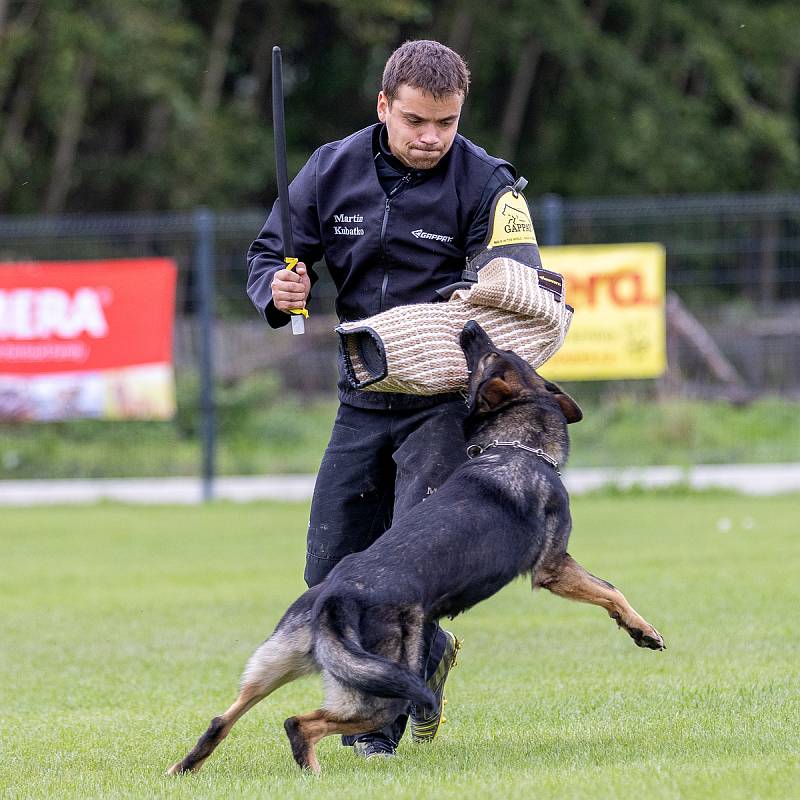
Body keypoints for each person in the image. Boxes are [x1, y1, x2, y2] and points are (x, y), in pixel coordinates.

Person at [247, 39, 516, 758]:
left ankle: (377, 733)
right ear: (383, 107)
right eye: (416, 121)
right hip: (362, 399)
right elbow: (271, 253)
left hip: (442, 405)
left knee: (402, 575)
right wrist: (280, 289)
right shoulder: (329, 169)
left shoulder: (489, 183)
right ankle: (427, 656)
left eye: (446, 123)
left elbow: (518, 284)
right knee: (329, 571)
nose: (431, 138)